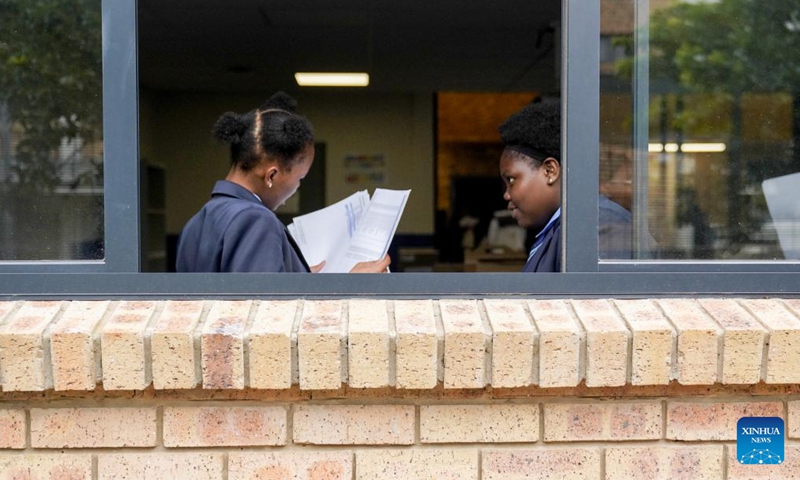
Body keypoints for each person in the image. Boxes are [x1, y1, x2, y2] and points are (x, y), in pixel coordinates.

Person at [176, 92, 390, 273]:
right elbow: (267, 313)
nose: (296, 188)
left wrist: (302, 280)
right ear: (271, 175)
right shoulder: (256, 220)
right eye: (299, 178)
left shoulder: (197, 222)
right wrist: (347, 286)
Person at [497, 99, 635, 272]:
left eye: (511, 180)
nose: (506, 195)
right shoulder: (561, 230)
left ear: (550, 171)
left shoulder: (599, 226)